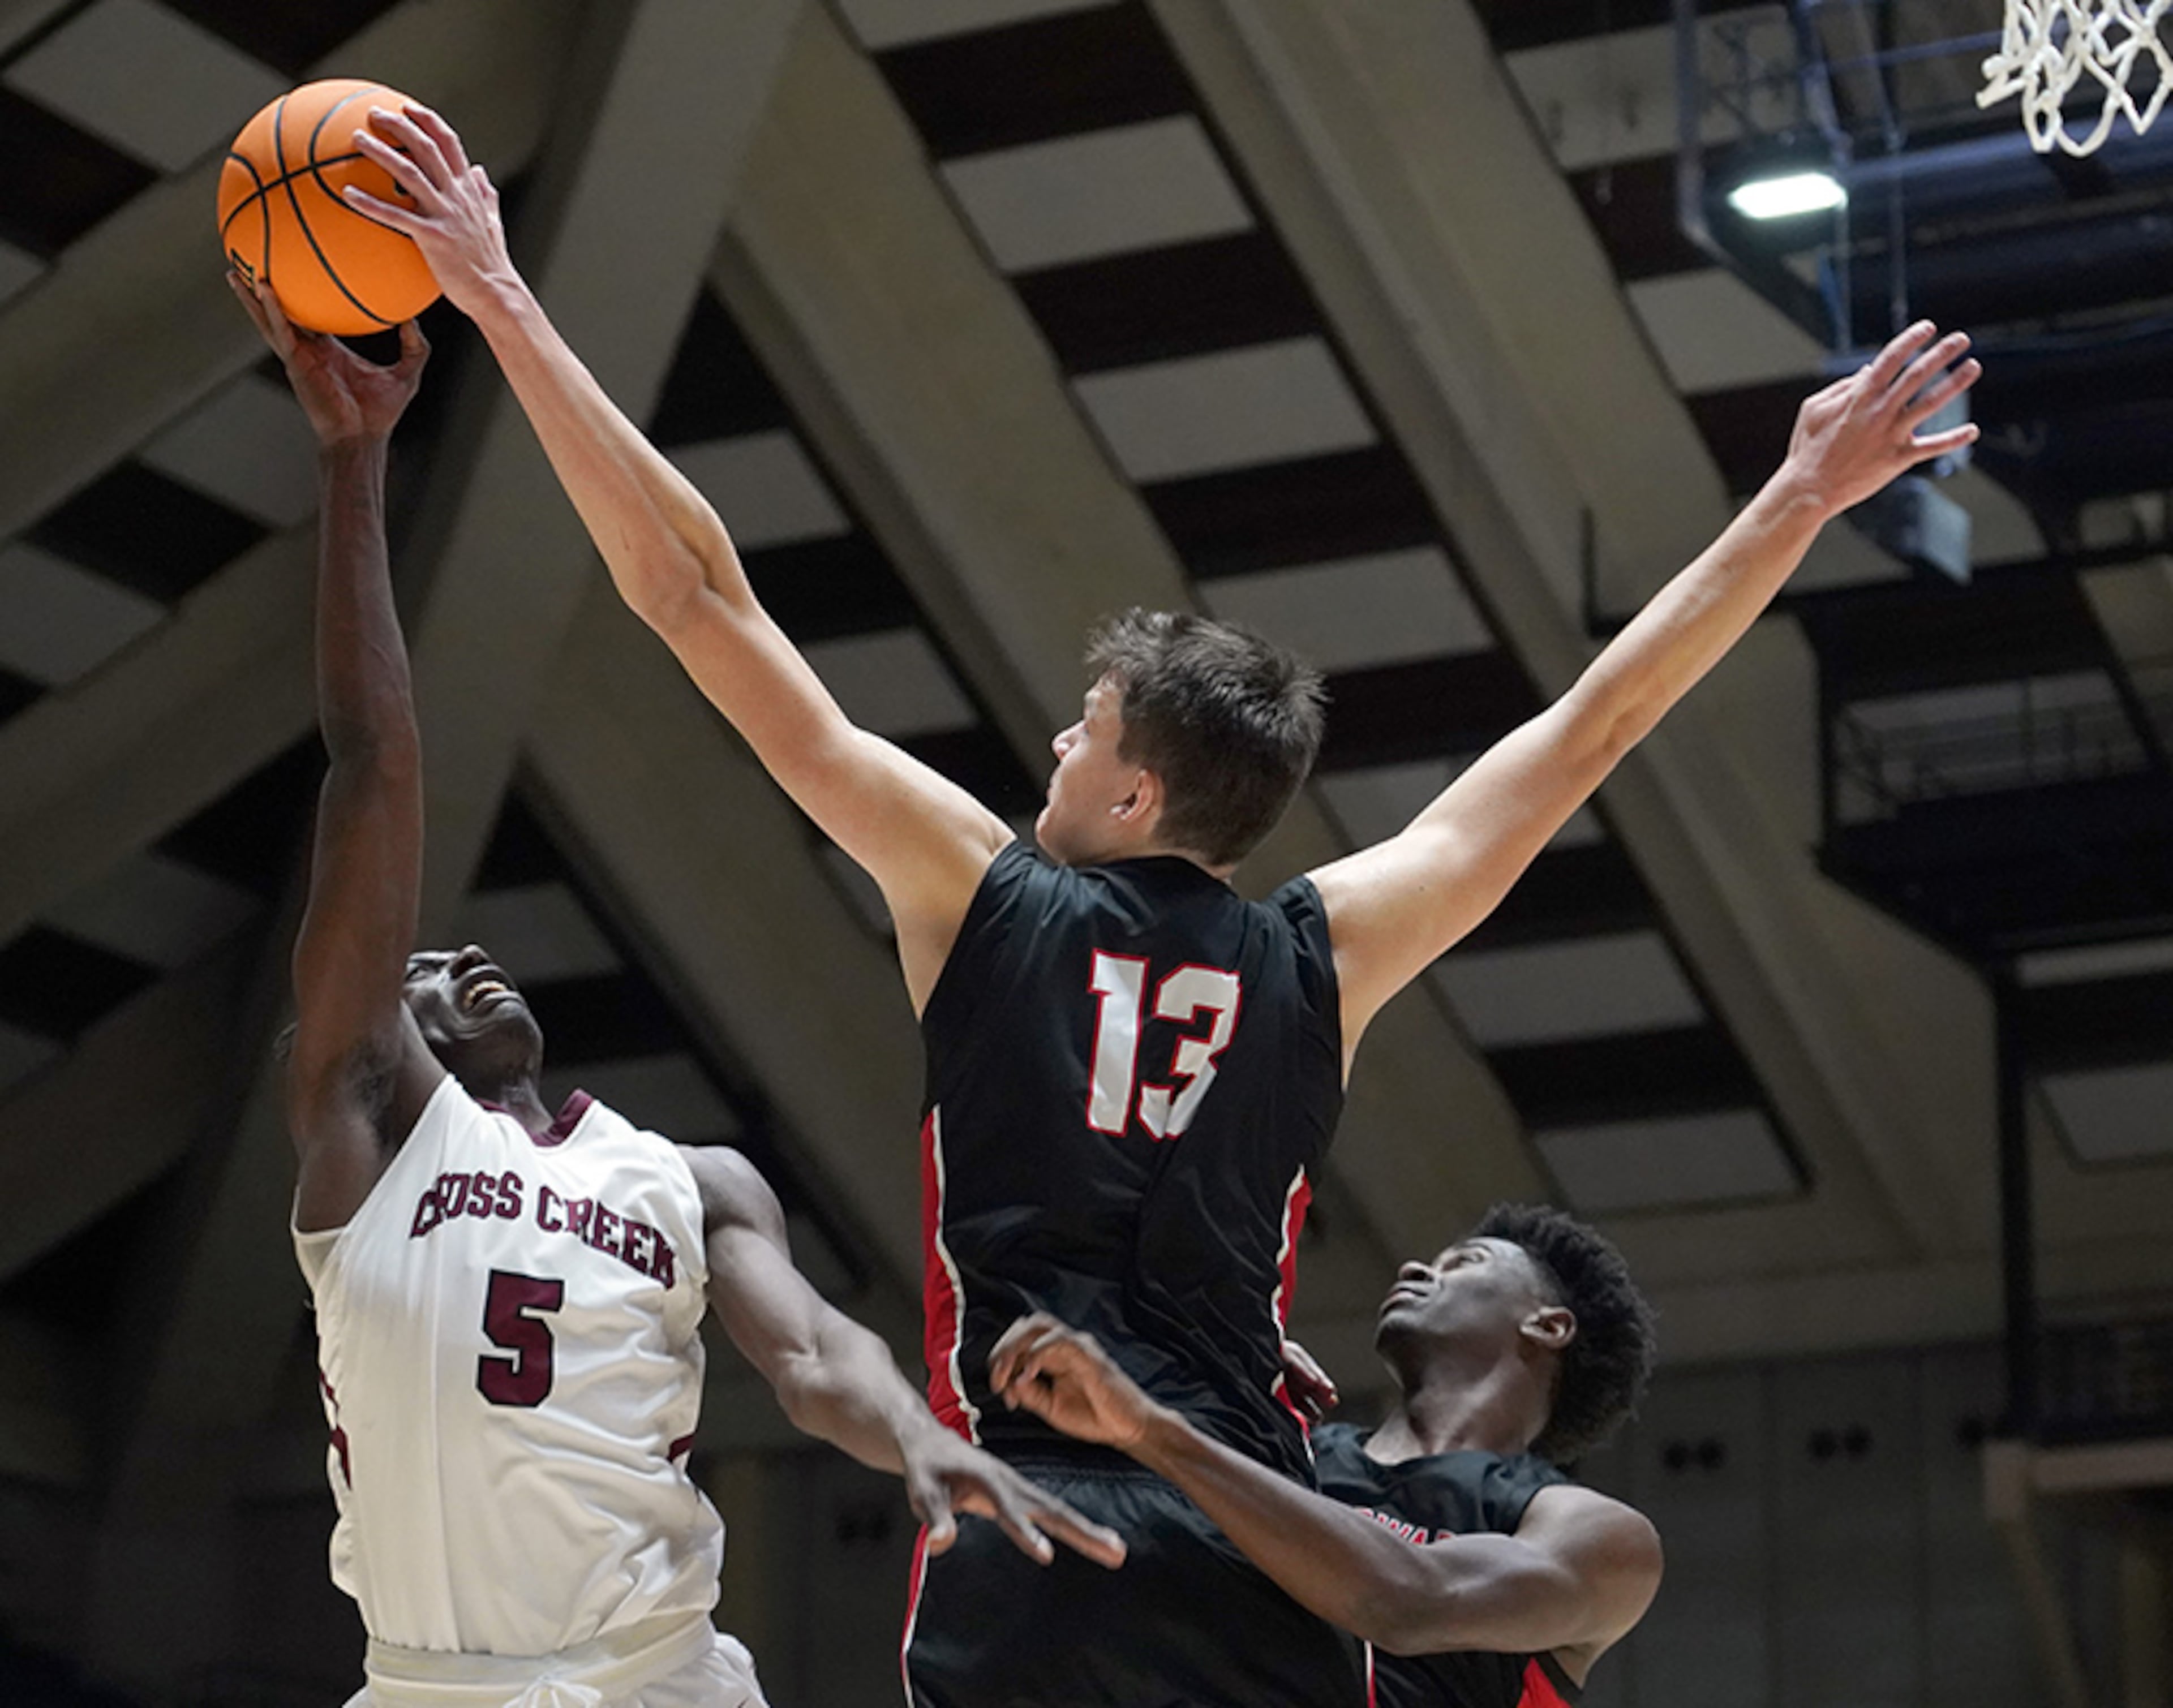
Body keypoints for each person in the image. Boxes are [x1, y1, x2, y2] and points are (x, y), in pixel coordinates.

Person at [339, 101, 1977, 1707]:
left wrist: (499, 292)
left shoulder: (979, 890)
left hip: (1032, 1522)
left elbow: (694, 593)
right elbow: (1589, 730)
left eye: (1086, 726)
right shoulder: (1322, 952)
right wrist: (1798, 500)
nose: (1058, 740)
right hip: (1257, 1535)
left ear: (1132, 793)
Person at [240, 271, 1122, 1708]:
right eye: (417, 969)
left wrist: (909, 1428)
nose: (455, 953)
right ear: (375, 1037)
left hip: (659, 1677)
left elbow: (809, 1350)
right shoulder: (370, 1130)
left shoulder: (686, 1178)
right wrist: (353, 467)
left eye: (463, 949)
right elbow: (374, 764)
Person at [990, 1203, 1663, 1708]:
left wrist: (1163, 1431)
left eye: (1463, 1263)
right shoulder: (1290, 1456)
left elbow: (1409, 1602)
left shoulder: (1598, 1536)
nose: (1414, 1267)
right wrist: (1208, 1395)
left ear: (1548, 1324)